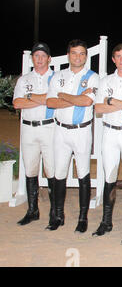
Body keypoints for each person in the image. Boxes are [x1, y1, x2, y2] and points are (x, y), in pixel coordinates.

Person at [46, 39, 99, 233]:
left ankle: (82, 218)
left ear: (86, 56)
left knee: (83, 173)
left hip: (81, 131)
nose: (78, 57)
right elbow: (50, 103)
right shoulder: (58, 76)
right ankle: (58, 215)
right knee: (59, 173)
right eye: (74, 53)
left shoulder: (93, 77)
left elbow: (86, 101)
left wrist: (63, 95)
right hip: (60, 130)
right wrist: (73, 98)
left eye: (82, 53)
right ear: (68, 55)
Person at [92, 43, 122, 237]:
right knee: (109, 177)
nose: (121, 60)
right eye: (118, 56)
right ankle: (106, 221)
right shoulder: (106, 81)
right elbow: (98, 109)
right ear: (113, 59)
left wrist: (111, 101)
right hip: (110, 133)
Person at [13, 42, 56, 227]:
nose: (39, 59)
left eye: (43, 56)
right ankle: (33, 210)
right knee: (30, 170)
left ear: (49, 58)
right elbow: (17, 103)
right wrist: (42, 99)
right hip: (29, 128)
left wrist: (29, 97)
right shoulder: (24, 79)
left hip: (49, 128)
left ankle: (55, 213)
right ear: (32, 58)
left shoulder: (55, 78)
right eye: (36, 56)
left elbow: (54, 101)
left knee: (52, 170)